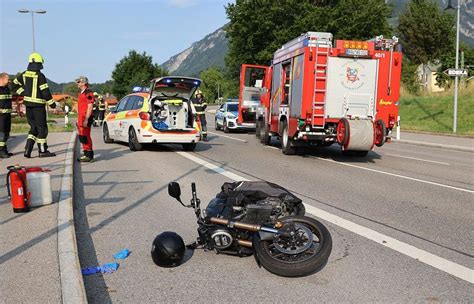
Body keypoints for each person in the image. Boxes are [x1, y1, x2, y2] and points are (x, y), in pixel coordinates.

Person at [12, 52, 56, 158]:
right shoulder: (40, 76)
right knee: (42, 128)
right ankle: (42, 151)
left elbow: (13, 85)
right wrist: (53, 105)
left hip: (28, 106)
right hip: (38, 106)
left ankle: (28, 150)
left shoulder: (24, 74)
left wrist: (23, 92)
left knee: (33, 128)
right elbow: (45, 92)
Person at [75, 76, 94, 162]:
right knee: (82, 136)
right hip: (81, 118)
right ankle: (85, 153)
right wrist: (78, 119)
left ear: (83, 83)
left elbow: (90, 106)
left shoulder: (88, 92)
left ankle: (89, 155)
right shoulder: (81, 93)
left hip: (85, 118)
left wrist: (86, 119)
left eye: (78, 82)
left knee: (86, 136)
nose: (77, 84)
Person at [0, 73, 13, 158]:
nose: (9, 81)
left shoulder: (7, 89)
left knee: (6, 133)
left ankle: (4, 149)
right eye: (7, 79)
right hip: (1, 116)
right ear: (1, 79)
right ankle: (1, 151)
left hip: (7, 114)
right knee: (1, 134)